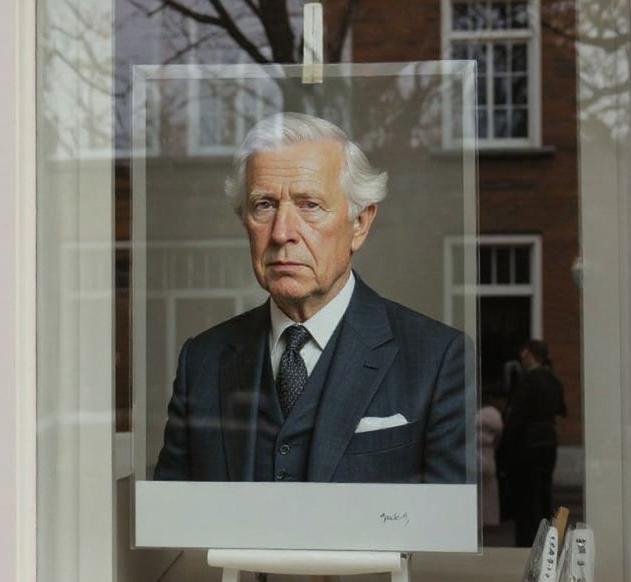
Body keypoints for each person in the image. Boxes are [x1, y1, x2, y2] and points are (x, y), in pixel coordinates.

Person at [153, 112, 472, 483]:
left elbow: (446, 517)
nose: (281, 233)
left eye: (309, 205)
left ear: (360, 224)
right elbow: (172, 512)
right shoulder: (202, 362)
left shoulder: (436, 359)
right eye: (264, 205)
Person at [499, 339, 566, 547]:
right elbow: (561, 412)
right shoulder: (554, 380)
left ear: (529, 355)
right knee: (544, 493)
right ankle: (547, 539)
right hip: (548, 442)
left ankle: (528, 540)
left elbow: (515, 417)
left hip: (526, 444)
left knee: (526, 496)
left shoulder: (527, 380)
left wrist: (504, 449)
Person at [479, 403, 503, 527]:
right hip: (489, 458)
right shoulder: (494, 417)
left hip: (481, 457)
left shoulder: (478, 422)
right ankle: (490, 518)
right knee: (489, 491)